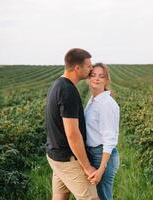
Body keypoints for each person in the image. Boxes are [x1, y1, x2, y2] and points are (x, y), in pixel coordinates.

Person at [45, 48, 99, 200]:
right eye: (88, 66)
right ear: (77, 68)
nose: (91, 68)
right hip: (68, 160)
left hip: (55, 156)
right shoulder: (68, 91)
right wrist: (87, 167)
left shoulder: (57, 84)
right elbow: (72, 134)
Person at [84, 63, 120, 200]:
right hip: (94, 153)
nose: (96, 79)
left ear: (106, 80)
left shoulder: (106, 104)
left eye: (101, 76)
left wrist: (101, 169)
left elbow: (109, 139)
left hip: (103, 156)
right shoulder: (93, 100)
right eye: (93, 75)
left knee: (104, 197)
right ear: (88, 78)